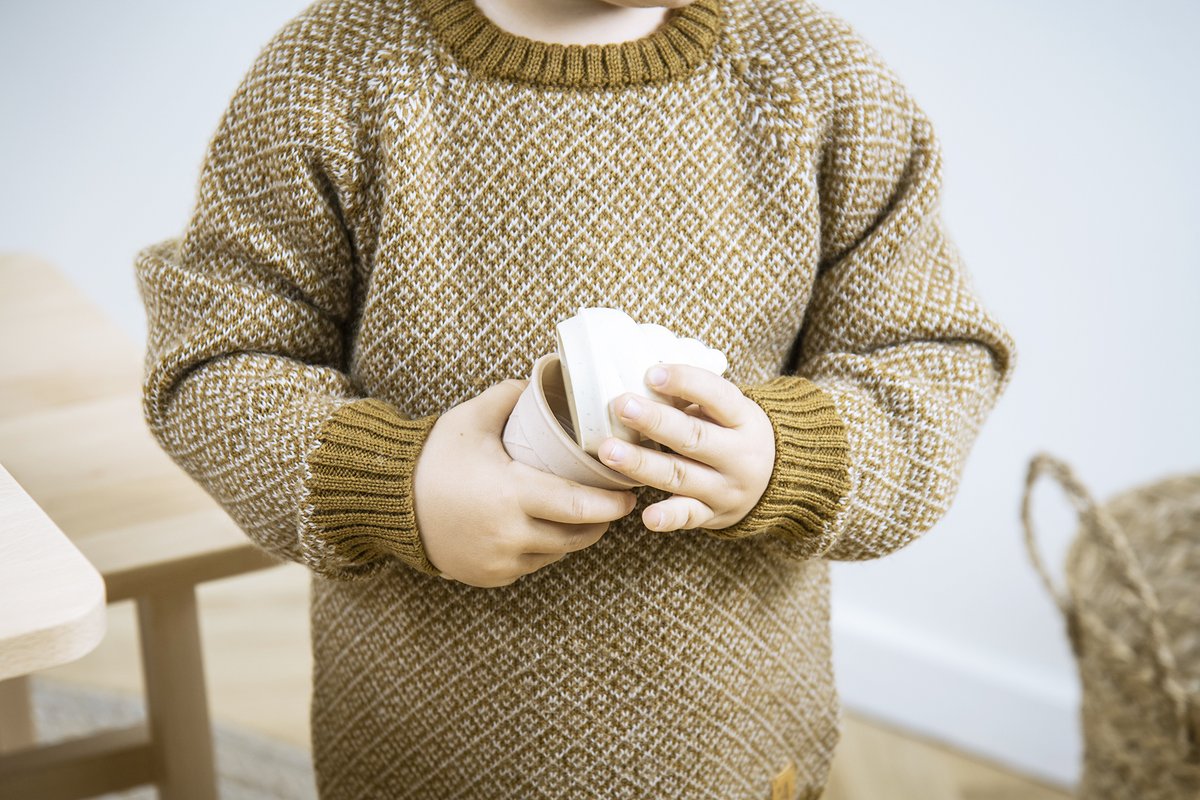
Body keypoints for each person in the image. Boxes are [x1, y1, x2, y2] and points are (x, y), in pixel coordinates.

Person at [133, 0, 1018, 796]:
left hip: (732, 751)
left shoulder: (821, 82)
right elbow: (214, 358)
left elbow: (930, 356)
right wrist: (398, 482)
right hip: (422, 750)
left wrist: (795, 455)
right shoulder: (333, 73)